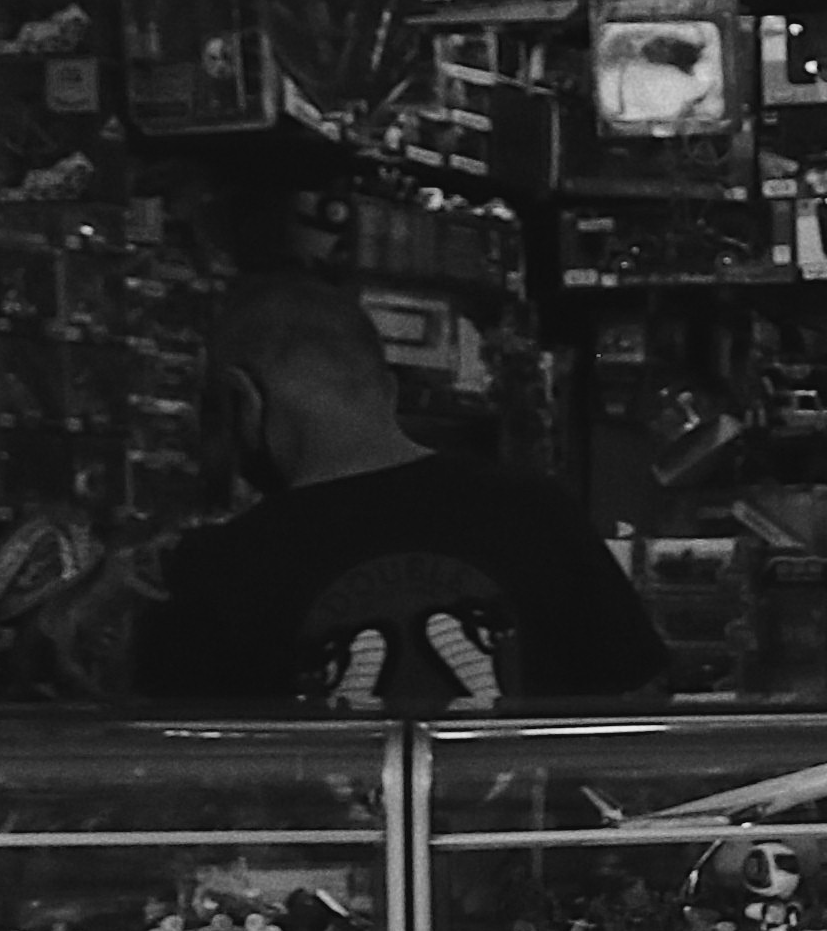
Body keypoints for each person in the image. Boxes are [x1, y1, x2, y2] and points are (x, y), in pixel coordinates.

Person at [134, 276, 672, 709]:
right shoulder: (539, 511)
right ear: (387, 386)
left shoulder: (216, 570)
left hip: (336, 844)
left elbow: (185, 787)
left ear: (243, 401)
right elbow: (639, 708)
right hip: (524, 840)